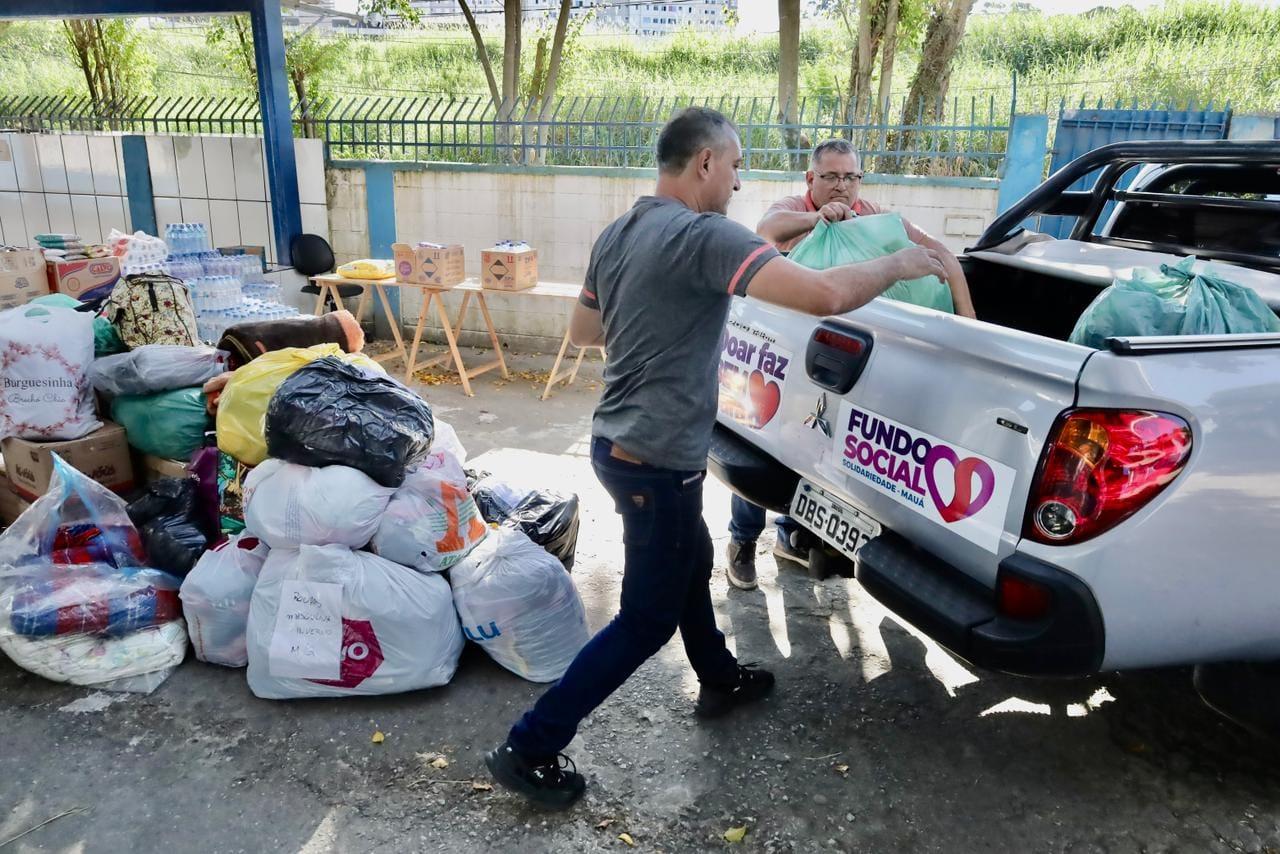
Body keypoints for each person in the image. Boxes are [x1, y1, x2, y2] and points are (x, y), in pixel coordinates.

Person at [485, 107, 948, 810]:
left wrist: (661, 330)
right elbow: (822, 296)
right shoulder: (706, 237)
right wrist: (903, 261)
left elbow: (585, 329)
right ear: (705, 163)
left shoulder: (621, 228)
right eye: (734, 167)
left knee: (692, 559)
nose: (738, 183)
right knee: (645, 618)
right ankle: (532, 745)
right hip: (656, 460)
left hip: (618, 442)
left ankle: (719, 677)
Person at [725, 138, 978, 591]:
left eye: (850, 177)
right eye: (831, 177)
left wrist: (970, 327)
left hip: (844, 360)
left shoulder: (872, 214)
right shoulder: (795, 207)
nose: (842, 187)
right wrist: (815, 218)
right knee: (762, 444)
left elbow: (937, 250)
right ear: (811, 179)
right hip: (785, 354)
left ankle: (790, 536)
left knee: (809, 450)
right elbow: (767, 228)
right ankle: (743, 541)